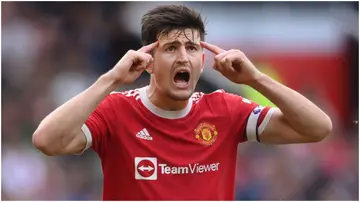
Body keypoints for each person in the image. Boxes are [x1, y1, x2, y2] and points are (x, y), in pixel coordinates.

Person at [32, 4, 332, 200]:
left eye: (191, 48)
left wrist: (255, 79)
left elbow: (317, 128)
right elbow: (47, 140)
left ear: (202, 62)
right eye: (171, 47)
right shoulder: (116, 110)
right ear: (147, 61)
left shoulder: (224, 110)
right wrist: (110, 78)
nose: (183, 56)